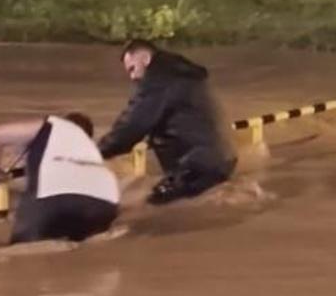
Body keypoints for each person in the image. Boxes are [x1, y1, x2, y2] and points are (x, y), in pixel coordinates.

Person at [98, 40, 237, 205]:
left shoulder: (159, 81)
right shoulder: (181, 74)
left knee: (151, 208)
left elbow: (133, 125)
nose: (132, 77)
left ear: (145, 58)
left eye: (132, 69)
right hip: (222, 158)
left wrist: (95, 152)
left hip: (195, 164)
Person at [0, 112, 120, 245]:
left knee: (23, 252)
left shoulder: (54, 126)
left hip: (54, 199)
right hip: (104, 205)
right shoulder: (89, 149)